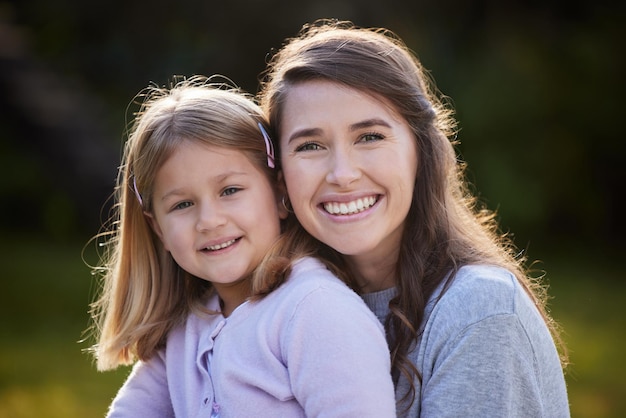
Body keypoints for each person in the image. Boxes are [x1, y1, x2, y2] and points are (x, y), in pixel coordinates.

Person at [258, 19, 570, 417]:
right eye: (311, 145)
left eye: (369, 137)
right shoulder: (282, 313)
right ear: (281, 179)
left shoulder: (478, 312)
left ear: (421, 152)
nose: (342, 174)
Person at [87, 76, 396, 417]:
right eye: (182, 205)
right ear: (157, 228)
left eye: (230, 191)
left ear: (281, 193)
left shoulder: (315, 311)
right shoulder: (186, 328)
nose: (209, 220)